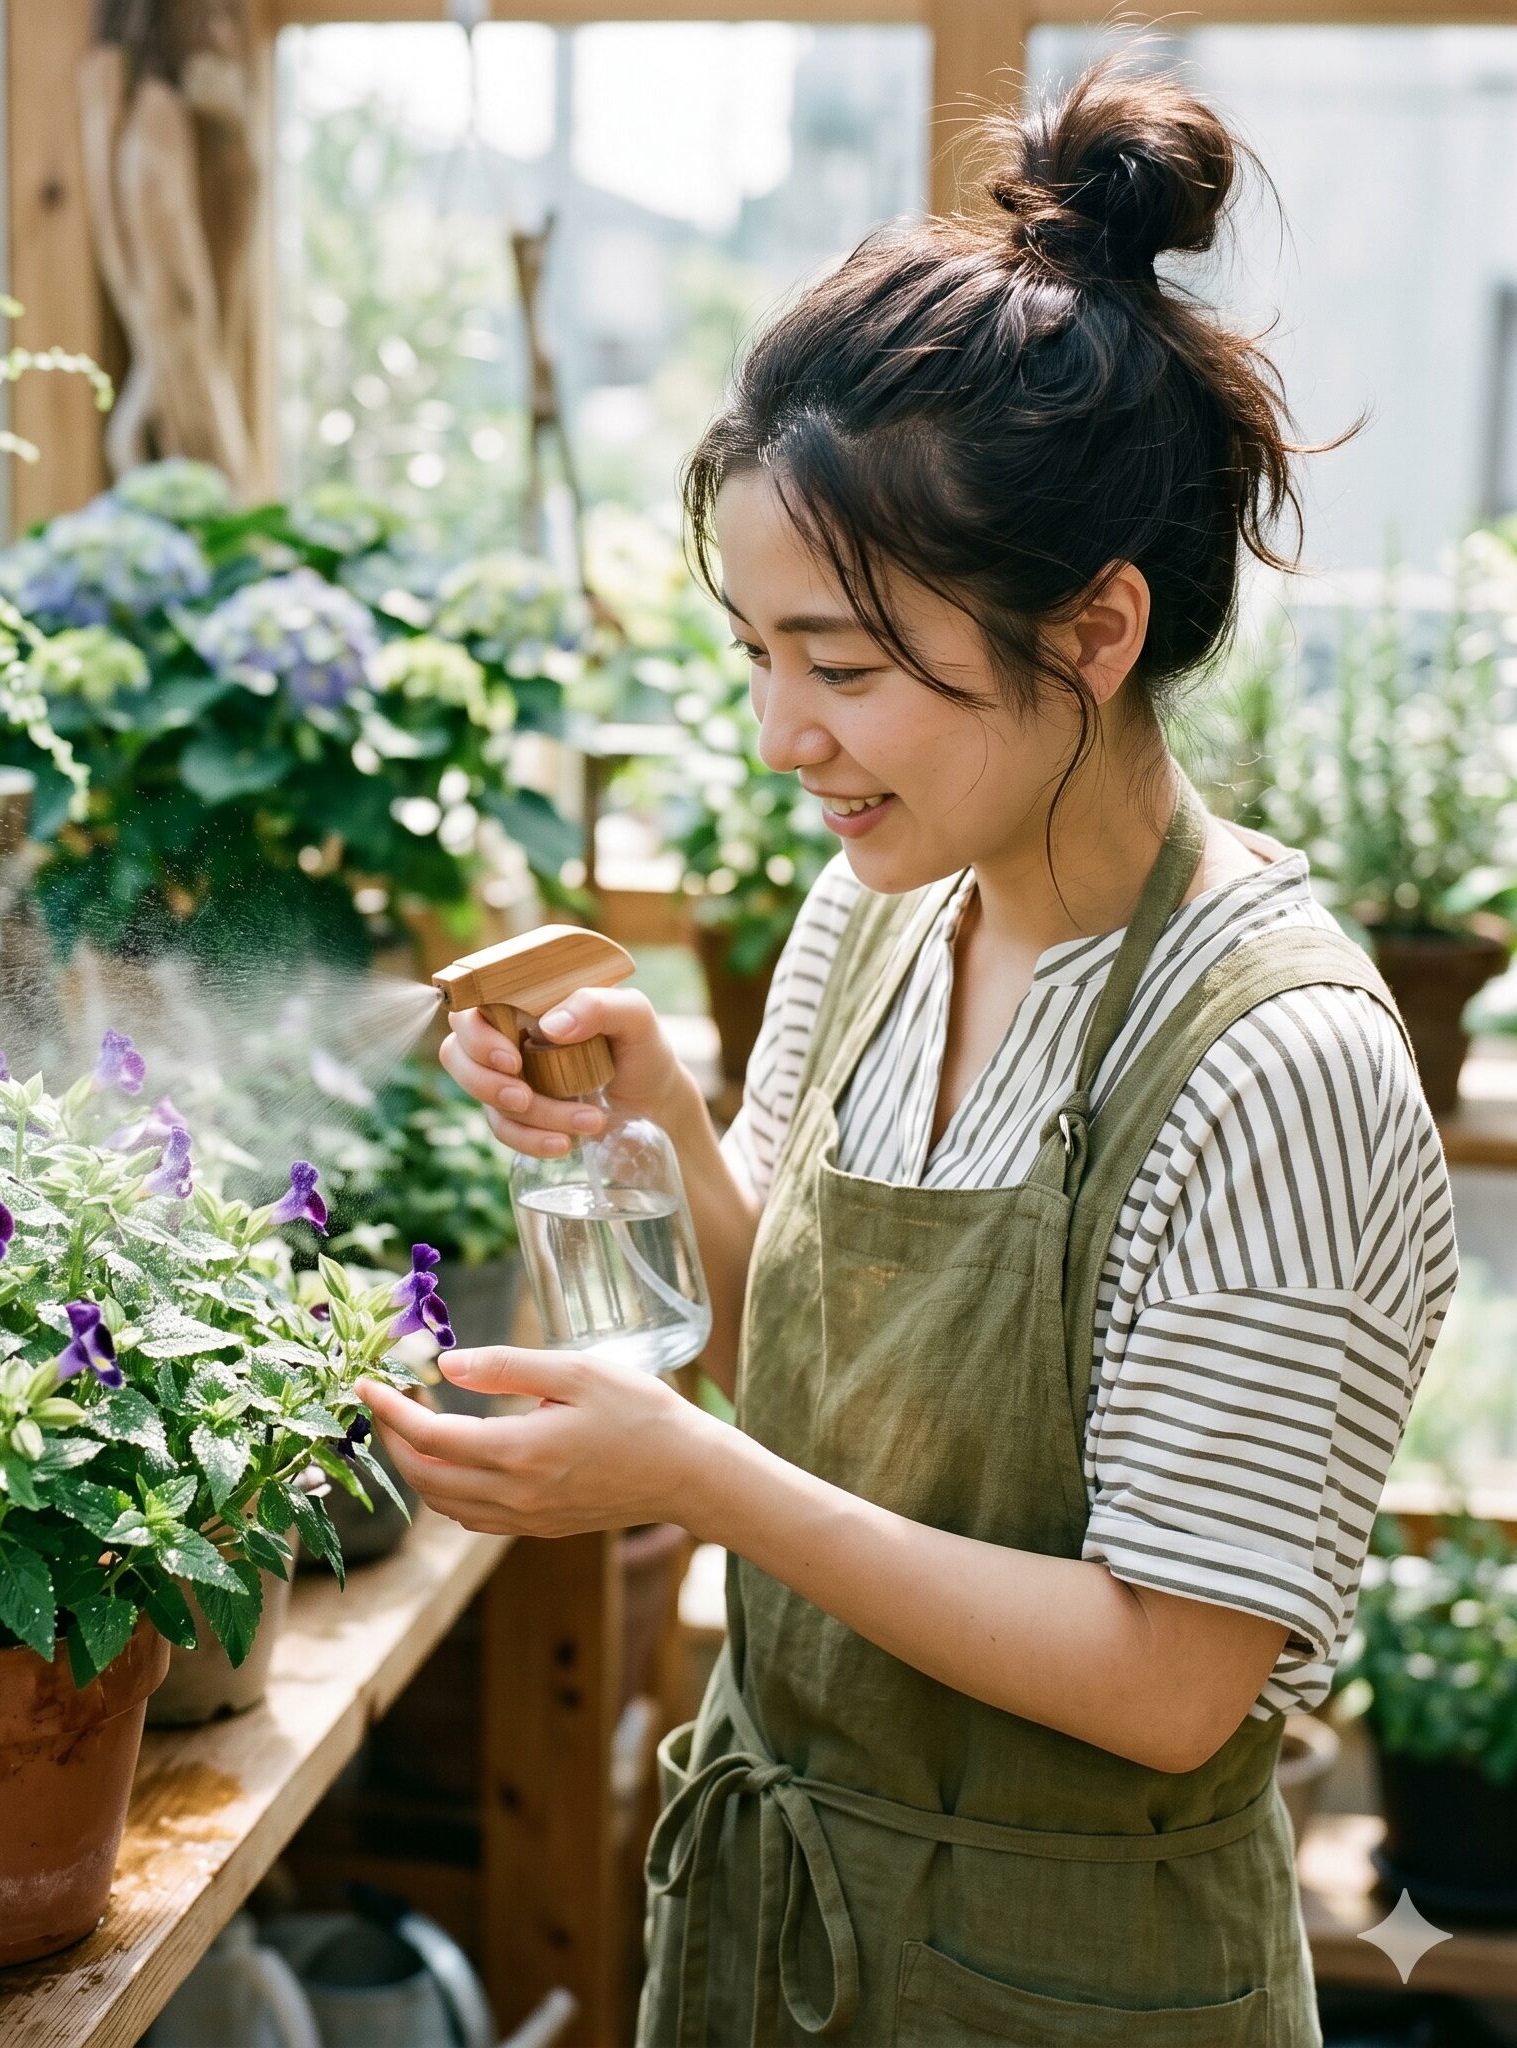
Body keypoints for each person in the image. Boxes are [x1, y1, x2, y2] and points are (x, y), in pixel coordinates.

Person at [356, 57, 1457, 2048]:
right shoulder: (882, 913)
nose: (784, 733)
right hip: (778, 1932)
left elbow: (1169, 1673)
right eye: (757, 651)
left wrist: (691, 1477)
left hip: (1072, 1992)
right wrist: (658, 1124)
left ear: (1097, 630)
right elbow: (795, 1348)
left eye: (844, 666)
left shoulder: (1274, 1059)